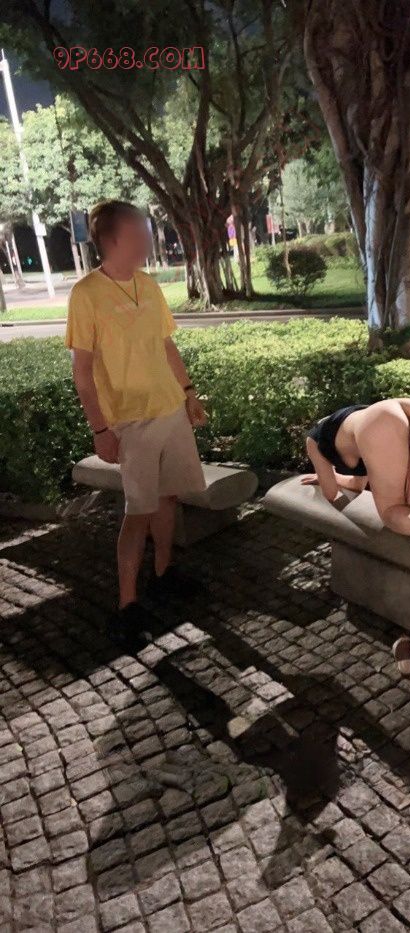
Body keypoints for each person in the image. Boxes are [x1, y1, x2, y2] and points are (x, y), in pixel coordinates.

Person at [66, 200, 208, 648]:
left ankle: (163, 573)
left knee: (168, 497)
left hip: (170, 410)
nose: (149, 240)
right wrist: (100, 430)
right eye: (140, 233)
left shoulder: (148, 284)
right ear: (113, 239)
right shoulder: (86, 294)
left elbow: (166, 345)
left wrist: (189, 393)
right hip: (130, 420)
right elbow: (82, 373)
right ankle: (126, 605)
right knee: (138, 511)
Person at [304, 400, 410, 585]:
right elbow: (357, 484)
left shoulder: (314, 439)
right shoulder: (349, 421)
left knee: (391, 510)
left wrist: (324, 476)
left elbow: (330, 493)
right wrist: (336, 477)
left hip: (382, 422)